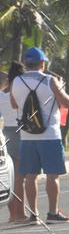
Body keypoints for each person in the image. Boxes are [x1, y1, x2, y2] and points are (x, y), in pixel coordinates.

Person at [10, 48, 69, 223]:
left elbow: (14, 105)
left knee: (30, 175)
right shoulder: (49, 80)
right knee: (53, 175)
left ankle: (34, 214)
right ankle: (52, 213)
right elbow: (66, 103)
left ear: (26, 64)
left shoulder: (17, 81)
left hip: (27, 136)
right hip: (50, 135)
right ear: (43, 63)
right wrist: (60, 86)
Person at [0, 64, 27, 222]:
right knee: (20, 178)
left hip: (7, 132)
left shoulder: (2, 97)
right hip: (20, 132)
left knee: (11, 176)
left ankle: (13, 215)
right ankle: (21, 213)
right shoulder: (22, 94)